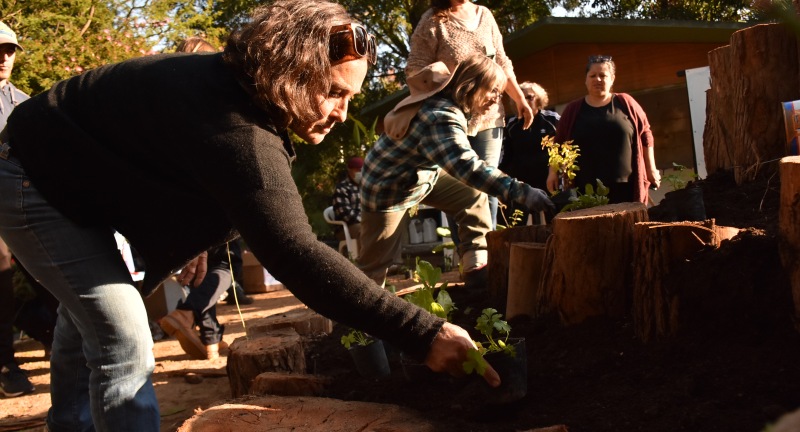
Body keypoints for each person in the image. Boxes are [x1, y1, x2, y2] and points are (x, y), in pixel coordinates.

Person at [0, 1, 499, 429]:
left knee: (91, 313)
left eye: (351, 96)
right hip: (29, 175)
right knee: (123, 334)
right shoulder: (237, 128)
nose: (343, 112)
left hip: (79, 178)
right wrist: (423, 332)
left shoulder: (235, 95)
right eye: (335, 92)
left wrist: (194, 243)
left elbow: (191, 180)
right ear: (293, 72)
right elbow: (293, 251)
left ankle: (69, 425)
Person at [359, 56, 555, 294]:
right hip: (387, 188)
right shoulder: (441, 117)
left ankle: (476, 269)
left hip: (420, 176)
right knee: (374, 267)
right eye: (493, 90)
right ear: (471, 85)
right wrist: (519, 191)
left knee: (472, 194)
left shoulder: (449, 106)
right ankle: (359, 321)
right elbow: (467, 167)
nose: (497, 99)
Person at [157, 36, 250, 361]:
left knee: (201, 270)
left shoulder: (167, 102)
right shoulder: (208, 101)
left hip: (176, 199)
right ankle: (186, 313)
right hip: (209, 196)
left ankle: (210, 339)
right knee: (224, 266)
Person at [407, 0, 534, 230]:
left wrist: (519, 98)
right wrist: (448, 83)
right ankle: (468, 257)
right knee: (462, 190)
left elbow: (502, 61)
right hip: (451, 119)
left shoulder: (485, 15)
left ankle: (490, 253)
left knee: (488, 187)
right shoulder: (433, 21)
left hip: (488, 117)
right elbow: (415, 68)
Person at [547, 55, 661, 204]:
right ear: (586, 79)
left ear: (612, 78)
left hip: (626, 187)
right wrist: (552, 173)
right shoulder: (573, 110)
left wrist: (651, 169)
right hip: (585, 190)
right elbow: (558, 143)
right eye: (593, 75)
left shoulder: (626, 103)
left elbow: (645, 134)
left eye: (603, 75)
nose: (597, 79)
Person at [0, 21, 35, 398]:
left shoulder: (24, 103)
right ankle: (6, 362)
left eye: (9, 50)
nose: (4, 57)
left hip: (23, 207)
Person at [499, 81, 559, 225]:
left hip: (548, 180)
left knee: (554, 222)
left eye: (529, 97)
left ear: (538, 99)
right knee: (517, 225)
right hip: (521, 183)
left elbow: (561, 148)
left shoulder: (551, 119)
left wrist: (554, 173)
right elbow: (506, 156)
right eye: (521, 97)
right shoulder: (510, 124)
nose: (525, 101)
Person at [331, 156, 363, 254]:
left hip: (364, 222)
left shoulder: (366, 188)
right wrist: (366, 221)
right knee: (364, 231)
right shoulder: (342, 188)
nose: (360, 173)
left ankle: (389, 263)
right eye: (357, 170)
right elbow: (346, 215)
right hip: (346, 227)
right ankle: (363, 263)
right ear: (349, 170)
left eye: (362, 170)